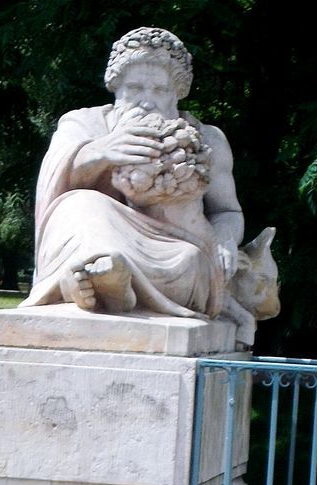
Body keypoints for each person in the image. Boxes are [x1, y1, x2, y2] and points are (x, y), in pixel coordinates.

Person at [21, 27, 244, 320]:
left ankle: (103, 280)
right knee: (80, 204)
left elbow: (227, 211)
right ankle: (103, 273)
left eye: (160, 90)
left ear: (177, 94)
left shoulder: (205, 140)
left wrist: (226, 241)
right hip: (98, 233)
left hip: (174, 250)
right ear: (117, 88)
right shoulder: (84, 124)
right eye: (135, 89)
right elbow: (53, 189)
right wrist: (99, 152)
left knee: (190, 260)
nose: (147, 101)